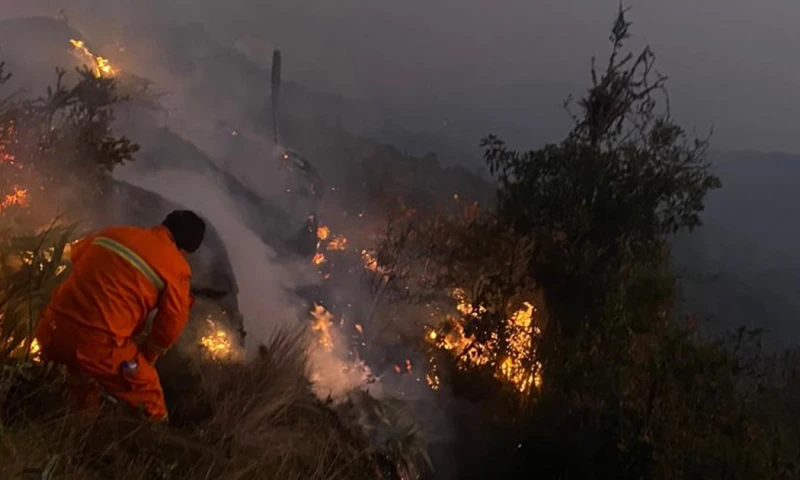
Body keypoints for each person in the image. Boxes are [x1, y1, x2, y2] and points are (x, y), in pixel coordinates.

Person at [35, 210, 206, 422]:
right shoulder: (177, 267)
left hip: (49, 330)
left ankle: (75, 431)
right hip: (98, 348)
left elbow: (73, 256)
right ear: (188, 248)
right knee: (148, 390)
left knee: (83, 383)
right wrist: (148, 355)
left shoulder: (113, 233)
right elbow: (171, 324)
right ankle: (151, 447)